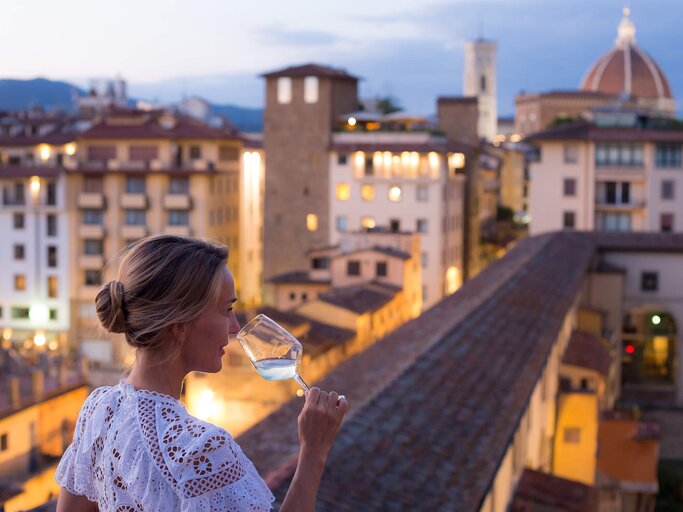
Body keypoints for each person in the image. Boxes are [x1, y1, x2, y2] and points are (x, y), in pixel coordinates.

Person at [55, 234, 348, 512]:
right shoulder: (203, 450)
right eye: (226, 309)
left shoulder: (100, 410)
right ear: (180, 323)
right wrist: (314, 450)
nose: (235, 328)